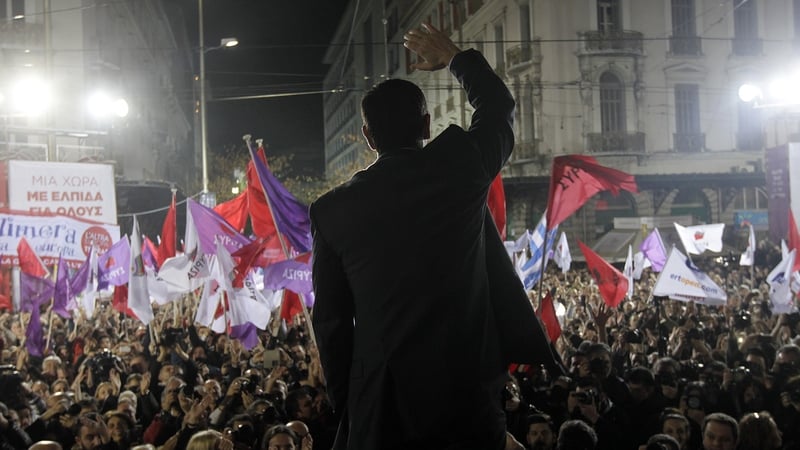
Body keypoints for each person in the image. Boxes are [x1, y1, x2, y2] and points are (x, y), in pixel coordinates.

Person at [311, 21, 518, 449]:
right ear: (427, 125)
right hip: (465, 399)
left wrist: (351, 403)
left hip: (383, 405)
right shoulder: (461, 166)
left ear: (368, 137)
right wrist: (456, 58)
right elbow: (497, 106)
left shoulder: (331, 211)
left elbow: (331, 324)